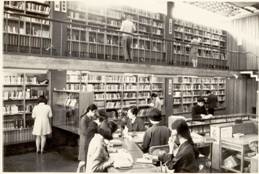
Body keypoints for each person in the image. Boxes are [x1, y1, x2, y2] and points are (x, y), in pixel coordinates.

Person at [76, 104, 98, 172]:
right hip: (84, 140)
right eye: (94, 112)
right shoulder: (84, 119)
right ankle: (79, 170)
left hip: (89, 139)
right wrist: (93, 126)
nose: (95, 114)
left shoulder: (91, 117)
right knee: (84, 158)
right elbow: (85, 132)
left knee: (87, 159)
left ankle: (84, 171)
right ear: (90, 111)